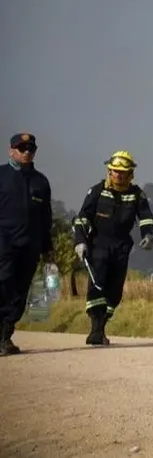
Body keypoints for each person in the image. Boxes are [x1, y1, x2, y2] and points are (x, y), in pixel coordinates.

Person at [72, 150, 153, 346]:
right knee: (97, 285)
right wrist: (80, 241)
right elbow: (83, 218)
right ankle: (96, 330)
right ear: (109, 171)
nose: (118, 175)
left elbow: (146, 217)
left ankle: (101, 326)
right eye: (115, 171)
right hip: (97, 245)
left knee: (115, 290)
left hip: (121, 247)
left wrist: (149, 235)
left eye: (123, 172)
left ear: (130, 173)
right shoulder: (97, 191)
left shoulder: (136, 194)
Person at [0, 133, 54, 356]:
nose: (27, 152)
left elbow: (46, 218)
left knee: (20, 291)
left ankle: (5, 336)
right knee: (3, 283)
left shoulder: (41, 182)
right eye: (22, 148)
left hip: (30, 245)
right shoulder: (1, 175)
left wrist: (47, 247)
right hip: (3, 243)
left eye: (31, 149)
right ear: (11, 151)